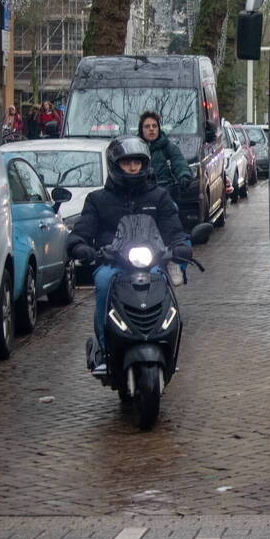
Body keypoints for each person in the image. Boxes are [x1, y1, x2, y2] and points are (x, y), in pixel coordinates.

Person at [67, 136, 191, 375]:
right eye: (127, 163)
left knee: (163, 283)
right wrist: (78, 244)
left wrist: (180, 245)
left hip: (151, 263)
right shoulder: (98, 199)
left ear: (145, 164)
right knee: (103, 282)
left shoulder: (159, 197)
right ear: (115, 165)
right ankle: (105, 348)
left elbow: (173, 229)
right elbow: (83, 228)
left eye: (137, 162)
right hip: (112, 263)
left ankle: (166, 343)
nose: (133, 167)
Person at [139, 111, 193, 286]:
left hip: (164, 196)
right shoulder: (136, 148)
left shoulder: (167, 147)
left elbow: (179, 162)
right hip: (140, 197)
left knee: (179, 234)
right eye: (147, 126)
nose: (151, 129)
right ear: (141, 129)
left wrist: (184, 175)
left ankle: (176, 263)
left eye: (154, 126)